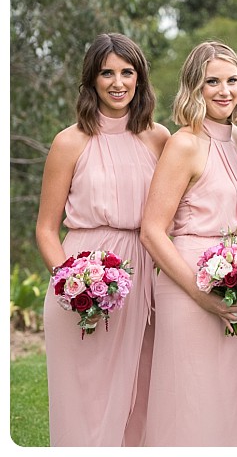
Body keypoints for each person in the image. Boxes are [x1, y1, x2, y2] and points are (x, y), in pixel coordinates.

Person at [36, 33, 170, 446]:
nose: (117, 83)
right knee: (84, 399)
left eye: (127, 72)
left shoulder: (159, 138)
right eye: (106, 73)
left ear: (140, 78)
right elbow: (45, 229)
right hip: (84, 275)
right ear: (91, 80)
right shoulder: (69, 141)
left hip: (145, 278)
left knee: (142, 395)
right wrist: (73, 283)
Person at [140, 41, 237, 446]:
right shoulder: (184, 143)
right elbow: (153, 230)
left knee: (228, 400)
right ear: (195, 87)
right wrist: (200, 293)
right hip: (189, 282)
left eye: (232, 80)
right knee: (190, 400)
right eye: (213, 82)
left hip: (234, 280)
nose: (225, 90)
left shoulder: (236, 138)